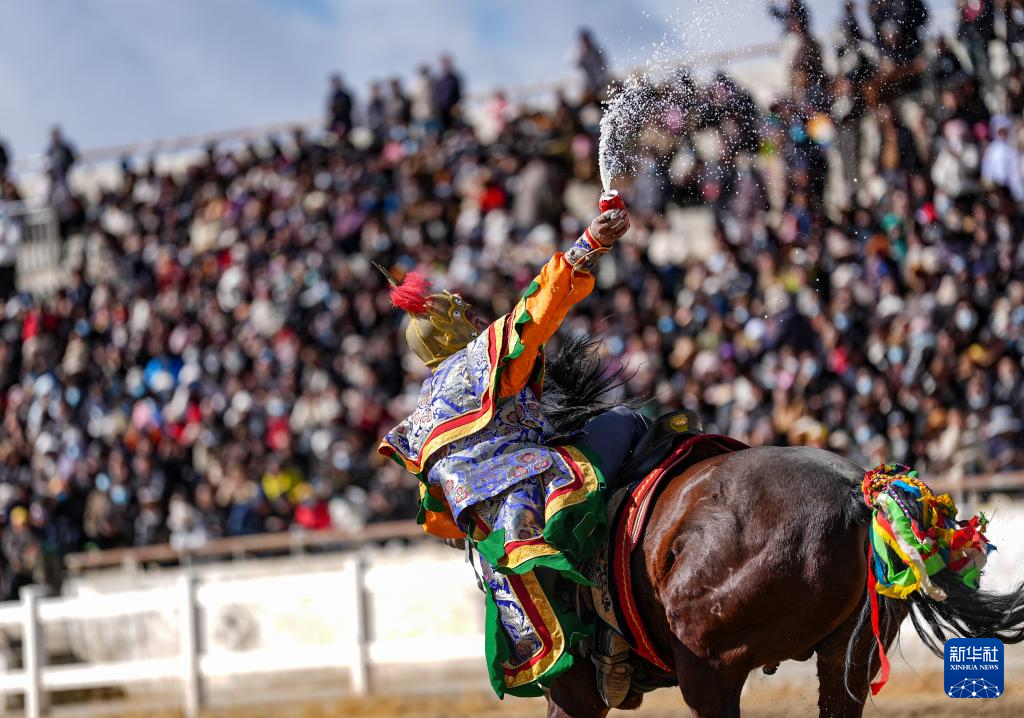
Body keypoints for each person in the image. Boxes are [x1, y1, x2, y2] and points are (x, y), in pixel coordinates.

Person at [378, 201, 648, 701]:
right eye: (464, 313)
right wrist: (589, 245)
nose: (475, 314)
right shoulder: (483, 358)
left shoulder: (421, 412)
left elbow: (437, 516)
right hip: (538, 485)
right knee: (630, 426)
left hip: (490, 546)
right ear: (455, 329)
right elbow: (536, 309)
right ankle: (618, 615)